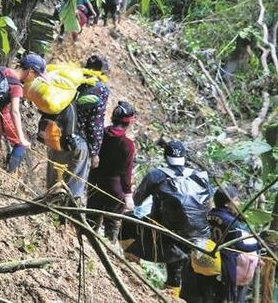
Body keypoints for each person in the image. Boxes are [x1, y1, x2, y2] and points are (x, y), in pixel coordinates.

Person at [129, 139, 214, 295]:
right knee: (177, 270)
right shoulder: (200, 176)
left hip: (166, 230)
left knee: (128, 225)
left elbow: (137, 200)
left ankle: (130, 272)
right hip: (199, 233)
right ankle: (173, 293)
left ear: (165, 156)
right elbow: (209, 206)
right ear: (184, 157)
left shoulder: (156, 175)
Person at [0, 54, 42, 172]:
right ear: (30, 72)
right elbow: (15, 111)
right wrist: (21, 138)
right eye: (36, 76)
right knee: (22, 142)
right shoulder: (17, 86)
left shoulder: (3, 70)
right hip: (1, 118)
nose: (34, 79)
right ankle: (10, 175)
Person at [87, 100, 137, 241]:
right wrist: (128, 195)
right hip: (114, 188)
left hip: (94, 181)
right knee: (112, 222)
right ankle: (109, 248)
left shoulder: (101, 133)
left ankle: (87, 243)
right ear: (128, 123)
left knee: (91, 217)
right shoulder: (127, 144)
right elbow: (126, 173)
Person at [79, 54, 112, 171]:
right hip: (79, 143)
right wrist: (94, 152)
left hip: (59, 135)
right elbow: (95, 122)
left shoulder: (76, 80)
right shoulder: (100, 89)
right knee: (72, 187)